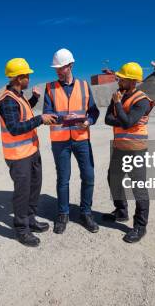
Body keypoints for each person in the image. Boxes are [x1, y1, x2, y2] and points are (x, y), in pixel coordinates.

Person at [0, 58, 58, 247]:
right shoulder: (6, 100)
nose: (29, 78)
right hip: (18, 156)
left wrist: (35, 99)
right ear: (18, 78)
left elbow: (23, 112)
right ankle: (22, 230)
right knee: (22, 193)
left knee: (34, 188)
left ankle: (31, 220)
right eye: (27, 75)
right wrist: (41, 119)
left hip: (31, 152)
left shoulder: (19, 96)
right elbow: (14, 127)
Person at [43, 48, 100, 234]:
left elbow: (94, 111)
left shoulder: (84, 86)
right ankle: (63, 214)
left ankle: (86, 213)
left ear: (71, 65)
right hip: (60, 141)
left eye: (62, 67)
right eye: (56, 68)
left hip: (81, 139)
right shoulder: (50, 88)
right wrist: (63, 118)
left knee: (89, 177)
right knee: (63, 179)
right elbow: (47, 114)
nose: (59, 71)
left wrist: (87, 121)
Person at [104, 62, 155, 243]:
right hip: (120, 147)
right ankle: (121, 211)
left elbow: (128, 122)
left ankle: (140, 226)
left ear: (132, 81)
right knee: (113, 178)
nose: (119, 80)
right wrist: (119, 111)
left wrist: (118, 106)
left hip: (136, 150)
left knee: (138, 188)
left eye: (122, 78)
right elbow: (107, 119)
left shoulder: (141, 100)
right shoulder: (119, 95)